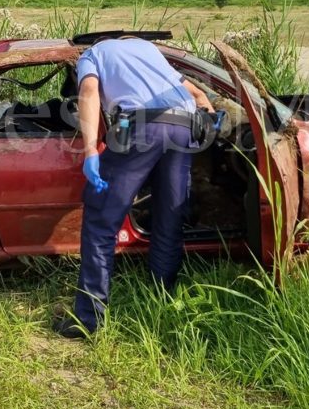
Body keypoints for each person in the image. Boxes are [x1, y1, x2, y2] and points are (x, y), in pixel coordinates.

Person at [52, 37, 216, 339]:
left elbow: (88, 92)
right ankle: (162, 298)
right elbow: (197, 93)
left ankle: (87, 320)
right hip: (183, 129)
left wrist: (90, 152)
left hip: (141, 128)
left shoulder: (91, 55)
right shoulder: (148, 49)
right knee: (169, 216)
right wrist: (207, 120)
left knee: (101, 221)